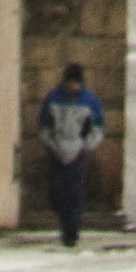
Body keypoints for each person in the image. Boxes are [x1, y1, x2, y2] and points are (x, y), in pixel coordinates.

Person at [38, 60, 109, 244]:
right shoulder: (53, 99)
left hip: (77, 151)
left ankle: (71, 230)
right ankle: (65, 224)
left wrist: (86, 145)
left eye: (75, 84)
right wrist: (51, 143)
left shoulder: (89, 101)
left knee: (74, 192)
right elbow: (44, 125)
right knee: (58, 192)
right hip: (57, 150)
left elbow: (98, 126)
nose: (72, 88)